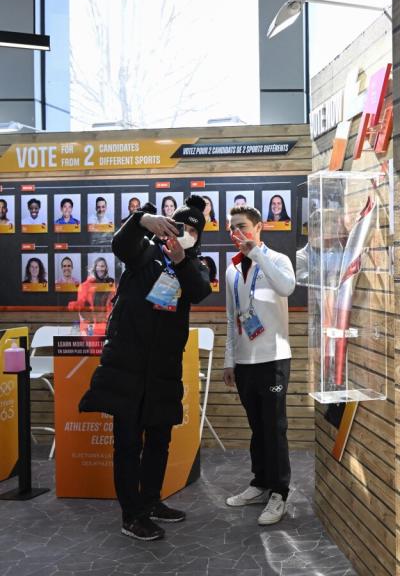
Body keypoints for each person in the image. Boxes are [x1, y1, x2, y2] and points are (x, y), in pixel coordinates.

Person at [79, 195, 211, 541]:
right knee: (127, 443)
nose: (187, 234)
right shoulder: (145, 253)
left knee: (159, 440)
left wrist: (182, 260)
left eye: (195, 231)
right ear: (168, 226)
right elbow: (121, 244)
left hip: (164, 369)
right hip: (129, 366)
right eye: (182, 227)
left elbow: (199, 291)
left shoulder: (195, 265)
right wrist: (141, 219)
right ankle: (132, 515)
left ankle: (152, 502)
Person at [223, 204, 296, 525]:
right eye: (232, 228)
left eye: (242, 226)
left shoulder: (277, 260)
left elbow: (287, 287)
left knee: (274, 428)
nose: (237, 233)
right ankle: (261, 483)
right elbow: (231, 318)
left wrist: (259, 255)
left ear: (258, 226)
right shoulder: (232, 269)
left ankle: (280, 491)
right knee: (257, 428)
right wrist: (229, 360)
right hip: (244, 361)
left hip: (274, 358)